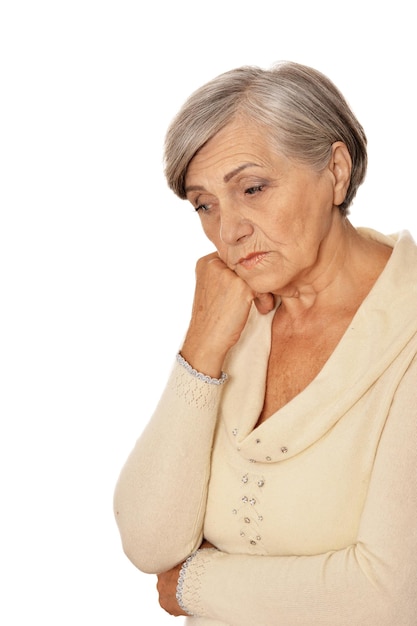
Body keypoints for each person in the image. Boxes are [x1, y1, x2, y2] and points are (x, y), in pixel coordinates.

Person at [113, 61, 417, 625]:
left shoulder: (408, 331)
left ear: (336, 170)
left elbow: (390, 598)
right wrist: (201, 347)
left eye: (252, 188)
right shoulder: (237, 319)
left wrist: (195, 583)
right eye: (205, 204)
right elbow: (149, 541)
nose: (228, 230)